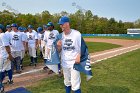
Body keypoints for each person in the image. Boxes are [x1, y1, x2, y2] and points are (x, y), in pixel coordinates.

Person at [57, 16, 82, 93]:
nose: (61, 26)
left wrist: (79, 56)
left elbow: (82, 47)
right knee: (67, 82)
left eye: (62, 24)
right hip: (64, 62)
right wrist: (59, 46)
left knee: (75, 85)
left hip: (74, 63)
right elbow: (58, 51)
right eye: (60, 24)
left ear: (67, 24)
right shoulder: (60, 36)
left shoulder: (76, 34)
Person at [0, 24, 14, 93]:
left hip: (4, 55)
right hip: (5, 55)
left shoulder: (2, 35)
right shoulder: (2, 35)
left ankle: (1, 87)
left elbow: (6, 46)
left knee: (1, 70)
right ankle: (10, 80)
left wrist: (9, 54)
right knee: (8, 68)